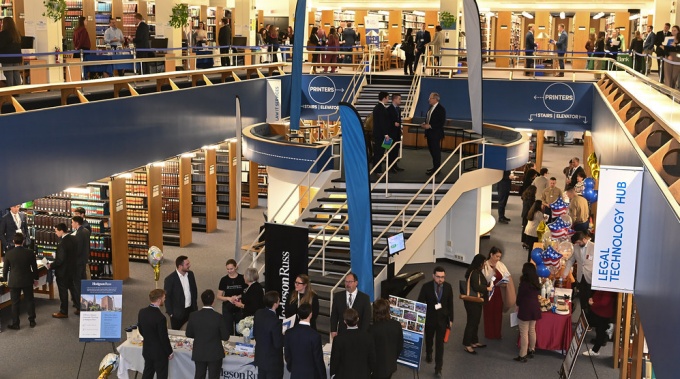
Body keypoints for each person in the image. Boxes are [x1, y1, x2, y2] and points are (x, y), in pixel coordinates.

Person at [418, 266, 454, 377]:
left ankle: (438, 368)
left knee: (440, 345)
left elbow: (450, 304)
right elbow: (420, 303)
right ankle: (429, 353)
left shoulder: (448, 287)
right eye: (438, 277)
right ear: (433, 276)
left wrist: (451, 319)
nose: (440, 279)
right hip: (429, 319)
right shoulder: (426, 287)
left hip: (442, 320)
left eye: (442, 277)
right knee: (429, 339)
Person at [186, 290, 229, 379]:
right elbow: (225, 336)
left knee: (199, 375)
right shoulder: (218, 317)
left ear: (202, 301)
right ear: (213, 301)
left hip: (199, 351)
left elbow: (188, 333)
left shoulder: (193, 315)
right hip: (215, 353)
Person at [3, 233, 38, 329]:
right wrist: (36, 278)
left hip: (14, 281)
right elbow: (34, 267)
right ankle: (32, 321)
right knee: (30, 300)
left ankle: (16, 323)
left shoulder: (9, 253)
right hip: (27, 280)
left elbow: (5, 269)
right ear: (23, 241)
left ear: (13, 241)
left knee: (15, 303)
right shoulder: (30, 252)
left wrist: (5, 280)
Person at [138, 289, 174, 379]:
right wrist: (169, 351)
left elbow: (141, 329)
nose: (164, 300)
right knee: (161, 375)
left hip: (147, 349)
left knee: (147, 373)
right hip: (159, 353)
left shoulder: (142, 312)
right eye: (163, 298)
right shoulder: (161, 318)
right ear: (159, 300)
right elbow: (163, 338)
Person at [330, 308, 376, 379]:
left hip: (343, 375)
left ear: (345, 321)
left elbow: (335, 360)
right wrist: (370, 372)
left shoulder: (338, 339)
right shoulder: (368, 337)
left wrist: (333, 374)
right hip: (363, 375)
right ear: (358, 319)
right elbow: (372, 358)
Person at [284, 303, 326, 379]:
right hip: (310, 375)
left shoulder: (289, 333)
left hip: (295, 373)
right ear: (310, 314)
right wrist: (323, 376)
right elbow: (318, 360)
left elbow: (287, 354)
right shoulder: (315, 336)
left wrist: (292, 367)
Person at [482, 247, 513, 340]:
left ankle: (497, 333)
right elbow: (486, 279)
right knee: (489, 312)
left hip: (499, 292)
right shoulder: (485, 265)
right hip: (489, 292)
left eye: (500, 257)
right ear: (491, 254)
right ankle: (489, 333)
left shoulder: (501, 264)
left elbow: (507, 275)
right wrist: (493, 271)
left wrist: (504, 280)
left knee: (498, 312)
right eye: (497, 256)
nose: (498, 259)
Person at [462, 255, 490, 356]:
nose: (484, 264)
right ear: (480, 263)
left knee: (476, 321)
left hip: (475, 301)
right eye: (484, 262)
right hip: (472, 301)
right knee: (472, 322)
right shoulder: (474, 272)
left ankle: (474, 341)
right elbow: (476, 286)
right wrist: (487, 289)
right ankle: (467, 344)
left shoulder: (474, 271)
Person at [514, 263, 542, 362]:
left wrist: (517, 305)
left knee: (524, 332)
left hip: (525, 309)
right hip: (534, 308)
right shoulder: (536, 281)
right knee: (532, 330)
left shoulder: (524, 282)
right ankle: (532, 349)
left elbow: (520, 297)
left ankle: (522, 355)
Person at [50, 223, 78, 319]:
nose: (55, 233)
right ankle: (79, 307)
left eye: (56, 231)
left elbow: (60, 260)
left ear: (61, 230)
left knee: (63, 291)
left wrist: (51, 265)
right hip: (72, 269)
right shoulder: (73, 238)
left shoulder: (62, 243)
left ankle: (63, 312)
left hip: (63, 272)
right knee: (73, 288)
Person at [369, 298, 403, 379]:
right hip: (390, 365)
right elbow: (400, 346)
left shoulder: (371, 329)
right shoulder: (396, 325)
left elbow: (369, 351)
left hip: (376, 369)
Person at [330, 272, 372, 337]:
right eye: (346, 282)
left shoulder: (364, 298)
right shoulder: (338, 296)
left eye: (350, 282)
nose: (347, 284)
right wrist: (333, 330)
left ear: (356, 283)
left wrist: (363, 333)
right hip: (342, 333)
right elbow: (334, 315)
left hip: (358, 334)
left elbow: (366, 318)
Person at [563, 231, 594, 317]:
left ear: (584, 239)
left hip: (591, 277)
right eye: (576, 243)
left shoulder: (594, 247)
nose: (577, 244)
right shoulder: (575, 247)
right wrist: (565, 274)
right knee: (582, 299)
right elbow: (571, 260)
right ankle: (583, 317)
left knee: (590, 300)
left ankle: (589, 320)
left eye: (579, 242)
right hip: (580, 277)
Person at [254, 291, 284, 379]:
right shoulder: (275, 322)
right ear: (275, 304)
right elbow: (278, 343)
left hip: (260, 357)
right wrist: (284, 335)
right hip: (272, 362)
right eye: (278, 300)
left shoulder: (258, 313)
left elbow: (256, 333)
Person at [164, 255, 198, 330]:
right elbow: (167, 297)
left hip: (191, 310)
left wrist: (195, 307)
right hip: (177, 314)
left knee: (192, 331)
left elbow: (194, 290)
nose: (189, 265)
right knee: (177, 334)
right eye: (187, 264)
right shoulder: (170, 279)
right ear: (180, 266)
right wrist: (171, 313)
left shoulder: (191, 274)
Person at [216, 259, 245, 335]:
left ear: (236, 267)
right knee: (228, 330)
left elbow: (246, 293)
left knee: (240, 330)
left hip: (239, 307)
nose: (229, 271)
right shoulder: (224, 280)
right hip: (227, 307)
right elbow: (218, 296)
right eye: (228, 269)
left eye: (231, 269)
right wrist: (228, 298)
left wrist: (237, 297)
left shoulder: (242, 278)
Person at [583, 290, 616, 356]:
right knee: (599, 330)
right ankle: (608, 328)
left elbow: (604, 302)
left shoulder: (608, 290)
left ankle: (595, 351)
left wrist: (593, 303)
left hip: (603, 313)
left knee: (600, 332)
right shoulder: (603, 286)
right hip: (598, 311)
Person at [422, 92, 446, 175]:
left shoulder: (441, 109)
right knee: (432, 151)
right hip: (429, 133)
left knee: (436, 152)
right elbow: (429, 119)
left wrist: (430, 126)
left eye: (430, 98)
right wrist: (425, 124)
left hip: (436, 134)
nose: (429, 99)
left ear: (435, 99)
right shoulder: (430, 107)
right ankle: (434, 167)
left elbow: (441, 123)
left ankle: (437, 170)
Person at [72, 215, 91, 307]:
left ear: (76, 223)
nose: (72, 224)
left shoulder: (79, 233)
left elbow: (78, 249)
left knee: (77, 283)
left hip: (78, 261)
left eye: (72, 222)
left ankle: (80, 306)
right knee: (83, 281)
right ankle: (85, 301)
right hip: (84, 259)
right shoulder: (86, 231)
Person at [371, 91, 391, 174]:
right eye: (388, 97)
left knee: (379, 152)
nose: (388, 99)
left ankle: (377, 169)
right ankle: (378, 170)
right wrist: (386, 134)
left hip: (379, 134)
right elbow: (382, 122)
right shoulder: (380, 108)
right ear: (384, 98)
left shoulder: (379, 107)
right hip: (380, 135)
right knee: (379, 152)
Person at [0, 17, 22, 87]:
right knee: (16, 74)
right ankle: (18, 91)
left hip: (7, 58)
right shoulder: (17, 33)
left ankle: (11, 92)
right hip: (16, 57)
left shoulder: (4, 34)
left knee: (9, 75)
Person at [386, 93, 405, 172]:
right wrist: (393, 123)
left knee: (396, 150)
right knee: (390, 150)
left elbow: (399, 120)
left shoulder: (399, 109)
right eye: (399, 99)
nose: (400, 100)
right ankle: (389, 167)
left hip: (397, 133)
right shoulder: (388, 109)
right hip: (390, 134)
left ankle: (395, 165)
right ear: (394, 99)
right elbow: (386, 121)